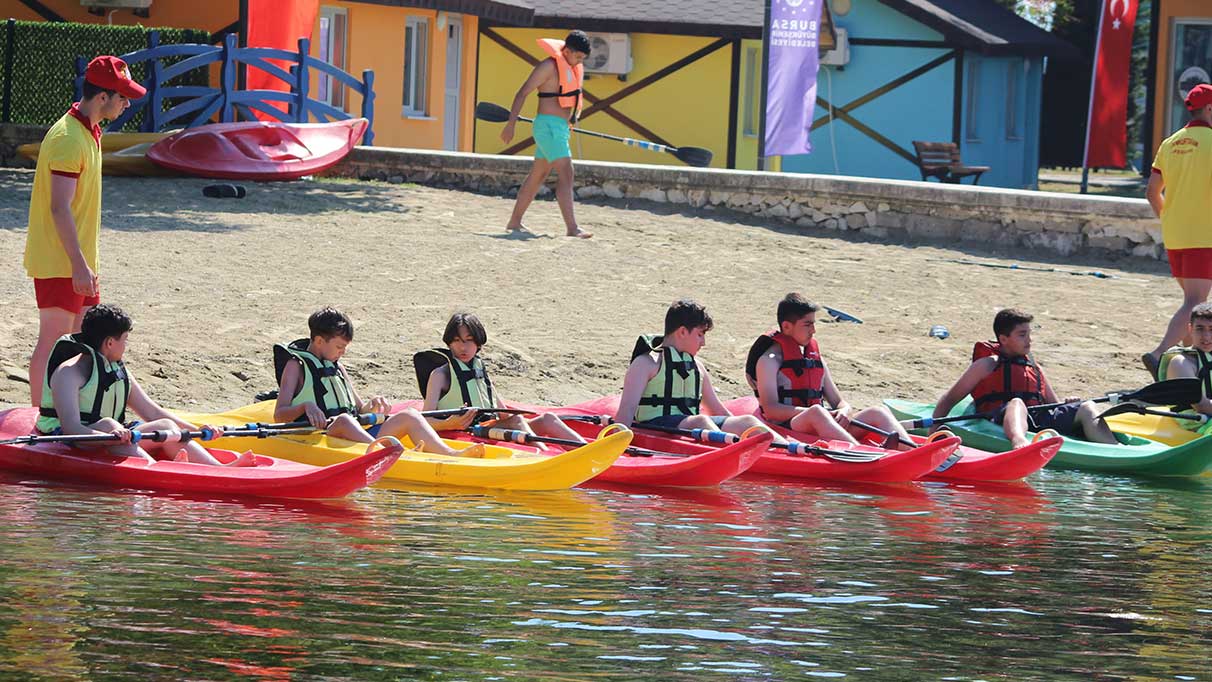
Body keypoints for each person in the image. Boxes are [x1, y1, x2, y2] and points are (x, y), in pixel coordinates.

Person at [25, 56, 146, 408]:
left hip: (77, 259)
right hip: (59, 258)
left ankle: (73, 411)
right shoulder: (67, 138)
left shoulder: (90, 132)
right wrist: (78, 263)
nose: (127, 103)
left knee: (83, 339)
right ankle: (38, 415)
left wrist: (85, 263)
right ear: (103, 96)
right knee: (52, 339)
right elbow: (59, 207)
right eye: (123, 96)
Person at [37, 304, 247, 465]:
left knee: (165, 426)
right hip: (70, 438)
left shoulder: (117, 370)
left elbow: (153, 413)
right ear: (110, 343)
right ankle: (157, 470)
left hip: (114, 435)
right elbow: (71, 428)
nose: (126, 345)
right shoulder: (68, 373)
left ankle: (219, 468)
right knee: (109, 424)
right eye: (125, 339)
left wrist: (199, 430)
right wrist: (112, 436)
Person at [273, 308, 484, 458]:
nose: (342, 352)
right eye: (339, 346)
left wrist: (372, 404)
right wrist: (306, 406)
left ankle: (450, 453)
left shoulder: (337, 366)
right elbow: (279, 414)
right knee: (344, 420)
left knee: (409, 415)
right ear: (319, 341)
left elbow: (358, 409)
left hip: (355, 436)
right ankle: (392, 454)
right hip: (323, 435)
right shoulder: (296, 366)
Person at [932, 308, 1116, 449]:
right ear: (1003, 339)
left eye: (1029, 334)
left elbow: (1053, 405)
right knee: (1017, 403)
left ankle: (1113, 449)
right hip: (1000, 417)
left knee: (1086, 406)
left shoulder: (1034, 367)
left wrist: (1069, 404)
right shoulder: (987, 364)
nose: (1029, 340)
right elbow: (949, 399)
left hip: (1036, 419)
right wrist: (934, 430)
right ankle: (1020, 442)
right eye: (1022, 335)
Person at [744, 293, 913, 445]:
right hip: (788, 427)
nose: (813, 331)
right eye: (807, 325)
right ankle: (863, 454)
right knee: (817, 412)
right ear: (787, 327)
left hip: (822, 424)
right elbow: (771, 410)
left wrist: (844, 410)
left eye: (813, 324)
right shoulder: (768, 361)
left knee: (878, 412)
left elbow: (838, 401)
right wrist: (819, 413)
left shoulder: (814, 359)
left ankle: (910, 451)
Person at [416, 312, 586, 444]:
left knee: (548, 419)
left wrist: (528, 423)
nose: (463, 347)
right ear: (448, 343)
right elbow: (423, 421)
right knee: (517, 421)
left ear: (478, 343)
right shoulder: (440, 375)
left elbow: (502, 413)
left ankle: (588, 451)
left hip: (487, 429)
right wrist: (449, 424)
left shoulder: (479, 370)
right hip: (462, 433)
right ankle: (542, 456)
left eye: (469, 340)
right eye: (456, 341)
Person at [614, 299, 766, 437]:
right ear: (682, 332)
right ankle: (733, 454)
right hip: (655, 429)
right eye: (700, 334)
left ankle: (785, 451)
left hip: (688, 426)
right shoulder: (646, 363)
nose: (703, 342)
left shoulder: (698, 367)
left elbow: (718, 410)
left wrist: (738, 426)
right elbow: (627, 410)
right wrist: (617, 445)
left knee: (747, 421)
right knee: (700, 421)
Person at [1142, 83, 1212, 378]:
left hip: (1177, 235)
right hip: (1203, 233)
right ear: (1209, 108)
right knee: (1195, 302)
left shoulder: (1170, 143)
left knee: (1192, 303)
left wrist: (1168, 219)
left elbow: (1152, 191)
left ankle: (1190, 358)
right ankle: (1159, 354)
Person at [500, 30, 593, 239]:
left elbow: (570, 99)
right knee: (567, 173)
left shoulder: (572, 68)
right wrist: (510, 124)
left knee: (538, 175)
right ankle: (572, 228)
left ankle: (514, 222)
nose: (579, 62)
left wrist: (571, 120)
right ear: (567, 51)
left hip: (558, 128)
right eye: (577, 57)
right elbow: (522, 92)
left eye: (582, 59)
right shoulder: (548, 66)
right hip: (547, 128)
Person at [1154, 302, 1212, 427]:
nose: (1206, 337)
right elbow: (1201, 406)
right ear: (1190, 329)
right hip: (1192, 423)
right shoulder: (1181, 363)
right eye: (1200, 329)